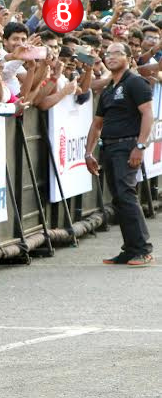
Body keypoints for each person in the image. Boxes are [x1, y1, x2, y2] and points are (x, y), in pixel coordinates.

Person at [85, 42, 154, 266]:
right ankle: (130, 248)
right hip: (108, 148)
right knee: (118, 199)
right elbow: (96, 124)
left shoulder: (135, 83)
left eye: (117, 53)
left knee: (126, 195)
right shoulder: (108, 89)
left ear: (129, 57)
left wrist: (140, 146)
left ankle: (143, 249)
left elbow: (147, 115)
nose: (111, 57)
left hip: (128, 146)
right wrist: (88, 152)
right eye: (107, 54)